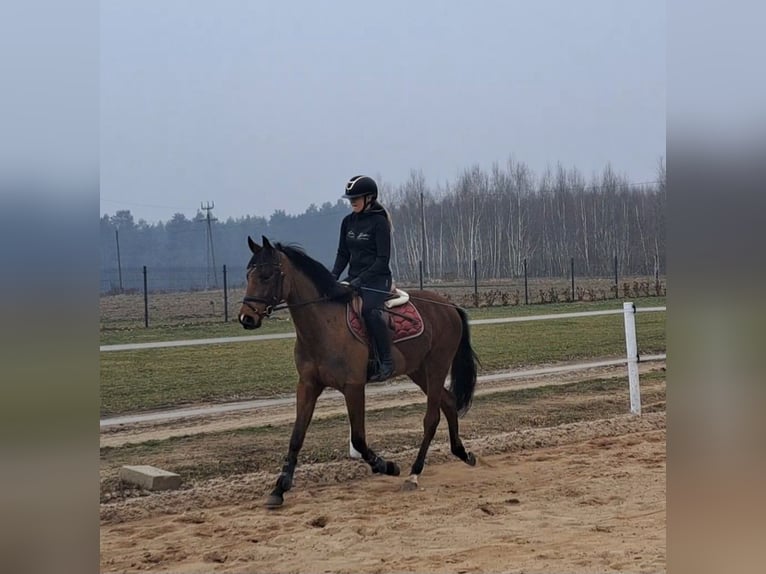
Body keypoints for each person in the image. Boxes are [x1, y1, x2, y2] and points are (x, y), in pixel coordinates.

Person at [331, 175, 395, 381]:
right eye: (350, 198)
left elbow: (382, 261)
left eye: (356, 197)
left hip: (378, 281)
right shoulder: (347, 222)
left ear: (370, 197)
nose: (352, 201)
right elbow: (343, 254)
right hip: (353, 279)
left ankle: (385, 361)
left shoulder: (379, 223)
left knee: (369, 311)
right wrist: (332, 277)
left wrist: (360, 280)